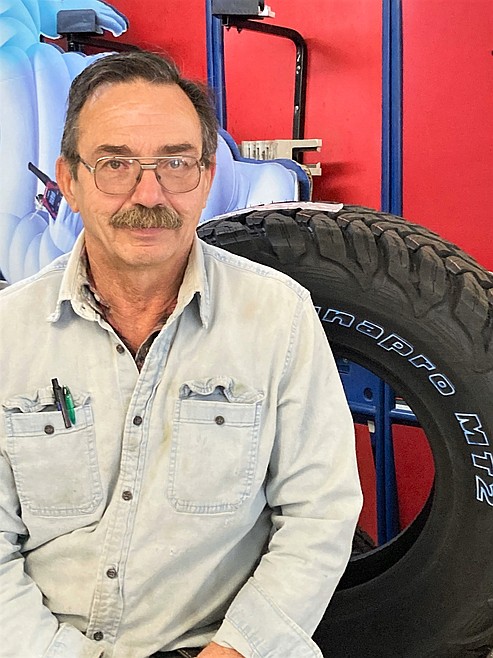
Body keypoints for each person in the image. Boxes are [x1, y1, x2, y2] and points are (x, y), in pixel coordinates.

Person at [0, 51, 362, 658]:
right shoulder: (8, 333)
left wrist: (238, 649)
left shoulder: (277, 317)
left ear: (207, 176)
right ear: (69, 181)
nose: (150, 193)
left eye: (175, 163)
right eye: (115, 164)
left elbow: (319, 514)